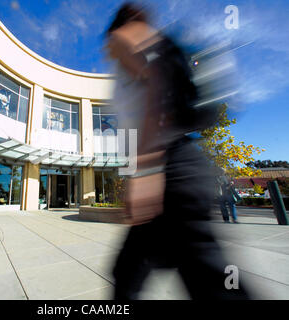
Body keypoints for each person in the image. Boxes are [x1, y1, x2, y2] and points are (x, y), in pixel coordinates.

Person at [105, 2, 249, 300]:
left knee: (204, 278)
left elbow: (160, 78)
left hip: (171, 169)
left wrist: (144, 171)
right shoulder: (136, 52)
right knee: (133, 273)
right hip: (181, 167)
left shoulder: (123, 36)